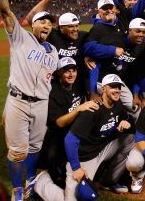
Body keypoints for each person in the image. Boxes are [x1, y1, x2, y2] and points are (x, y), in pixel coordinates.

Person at [0, 0, 60, 200]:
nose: (46, 24)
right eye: (42, 21)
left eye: (49, 22)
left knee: (35, 148)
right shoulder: (21, 38)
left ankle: (30, 179)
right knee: (17, 151)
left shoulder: (53, 51)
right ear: (33, 24)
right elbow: (5, 11)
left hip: (41, 104)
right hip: (19, 102)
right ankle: (17, 188)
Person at [62, 74, 135, 200]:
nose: (117, 90)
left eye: (119, 87)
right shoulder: (93, 109)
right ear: (104, 88)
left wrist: (126, 124)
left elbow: (124, 122)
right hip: (85, 157)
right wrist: (76, 167)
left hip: (103, 148)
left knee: (130, 139)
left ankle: (108, 182)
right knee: (75, 198)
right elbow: (69, 140)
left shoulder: (118, 105)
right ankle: (43, 183)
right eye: (113, 87)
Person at [35, 57, 99, 193]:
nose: (71, 74)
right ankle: (43, 181)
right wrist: (78, 109)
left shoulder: (78, 83)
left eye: (73, 70)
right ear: (58, 72)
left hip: (76, 130)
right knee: (56, 167)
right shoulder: (54, 91)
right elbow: (59, 122)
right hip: (58, 133)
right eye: (67, 71)